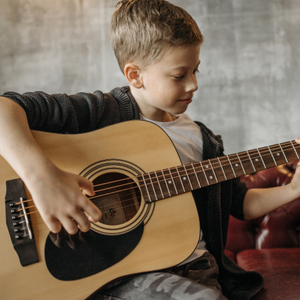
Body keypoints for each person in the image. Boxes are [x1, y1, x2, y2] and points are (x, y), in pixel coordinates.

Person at [0, 0, 300, 299]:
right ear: (135, 75)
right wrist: (43, 179)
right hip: (116, 276)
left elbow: (241, 202)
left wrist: (292, 190)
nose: (193, 84)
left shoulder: (202, 140)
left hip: (193, 269)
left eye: (196, 71)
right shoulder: (98, 113)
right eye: (179, 75)